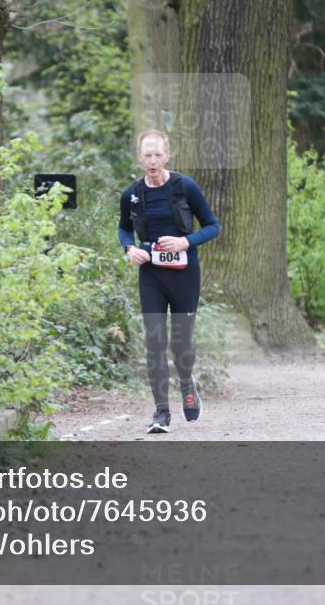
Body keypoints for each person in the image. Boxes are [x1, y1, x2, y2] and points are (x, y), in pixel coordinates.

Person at [118, 129, 221, 434]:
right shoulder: (132, 194)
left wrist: (185, 242)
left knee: (181, 344)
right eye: (146, 155)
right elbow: (124, 230)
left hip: (184, 274)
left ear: (167, 156)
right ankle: (161, 412)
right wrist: (130, 249)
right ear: (139, 158)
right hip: (151, 274)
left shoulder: (184, 186)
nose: (152, 160)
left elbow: (213, 226)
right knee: (154, 342)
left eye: (157, 155)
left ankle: (187, 382)